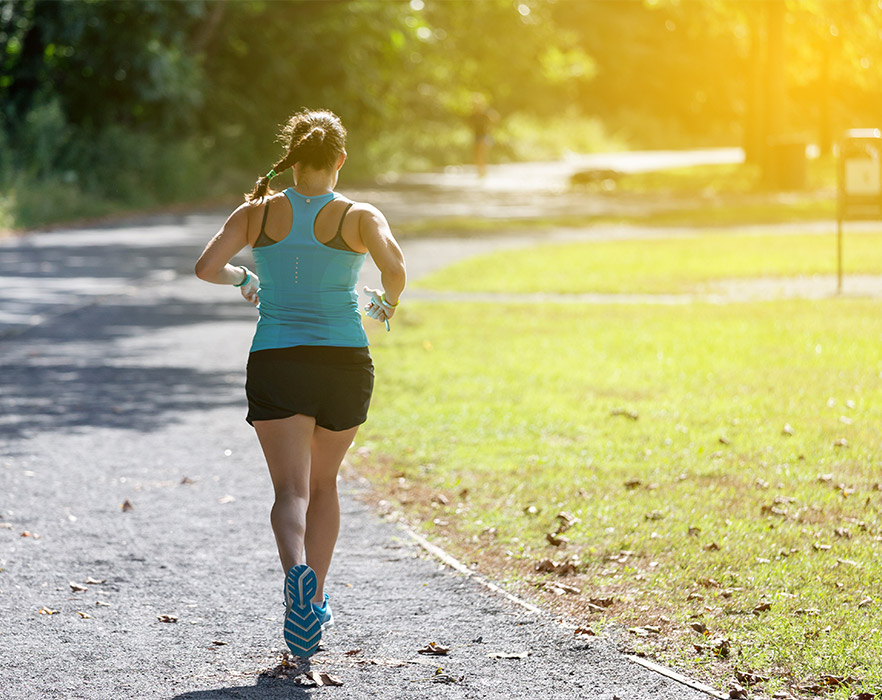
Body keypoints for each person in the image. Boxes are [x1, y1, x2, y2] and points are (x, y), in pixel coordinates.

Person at [194, 108, 406, 658]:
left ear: (292, 162)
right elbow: (395, 267)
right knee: (325, 485)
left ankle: (297, 581)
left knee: (290, 491)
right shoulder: (358, 215)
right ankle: (316, 600)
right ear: (340, 159)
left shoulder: (256, 212)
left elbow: (205, 267)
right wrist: (387, 302)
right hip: (343, 363)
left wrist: (246, 276)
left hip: (277, 359)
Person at [469, 94, 498, 179]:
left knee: (482, 154)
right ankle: (480, 171)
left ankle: (483, 171)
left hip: (485, 136)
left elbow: (495, 118)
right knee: (476, 154)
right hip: (476, 136)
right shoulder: (473, 115)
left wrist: (490, 129)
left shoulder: (486, 114)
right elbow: (470, 124)